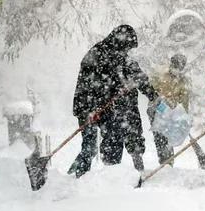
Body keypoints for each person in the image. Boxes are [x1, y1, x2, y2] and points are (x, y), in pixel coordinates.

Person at [68, 25, 160, 178]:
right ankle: (74, 178)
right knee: (90, 148)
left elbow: (140, 78)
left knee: (116, 138)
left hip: (108, 110)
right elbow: (87, 86)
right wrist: (91, 109)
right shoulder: (96, 54)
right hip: (89, 108)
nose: (128, 51)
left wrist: (153, 95)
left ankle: (114, 176)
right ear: (121, 41)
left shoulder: (122, 58)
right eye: (127, 47)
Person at [151, 54, 205, 168]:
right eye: (176, 65)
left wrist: (182, 117)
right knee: (160, 138)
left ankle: (168, 164)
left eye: (180, 66)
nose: (177, 68)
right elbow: (150, 92)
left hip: (172, 114)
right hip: (157, 112)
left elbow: (184, 102)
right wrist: (159, 103)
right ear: (172, 63)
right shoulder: (160, 75)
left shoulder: (183, 81)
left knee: (168, 138)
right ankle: (164, 162)